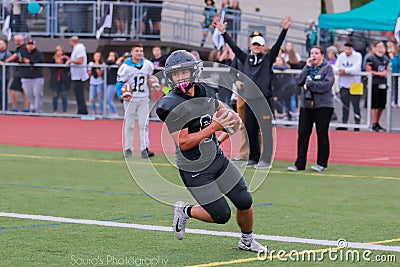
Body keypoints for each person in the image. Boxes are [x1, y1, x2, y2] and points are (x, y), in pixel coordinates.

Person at [156, 50, 267, 253]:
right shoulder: (170, 104)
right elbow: (184, 142)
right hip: (194, 167)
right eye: (176, 74)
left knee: (244, 200)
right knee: (221, 215)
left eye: (184, 72)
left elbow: (221, 110)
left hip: (216, 158)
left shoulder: (205, 90)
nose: (180, 78)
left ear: (193, 71)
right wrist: (214, 127)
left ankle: (247, 240)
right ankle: (185, 211)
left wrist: (229, 118)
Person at [214, 16, 293, 169]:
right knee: (250, 129)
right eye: (254, 45)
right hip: (249, 98)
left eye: (259, 45)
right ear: (251, 46)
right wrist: (223, 33)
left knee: (265, 129)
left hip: (263, 98)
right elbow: (235, 49)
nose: (256, 47)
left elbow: (277, 46)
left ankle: (265, 159)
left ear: (263, 47)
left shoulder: (268, 59)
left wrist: (284, 30)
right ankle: (253, 157)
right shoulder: (246, 59)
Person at [288, 46, 335, 172]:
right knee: (303, 134)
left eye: (316, 53)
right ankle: (299, 163)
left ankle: (322, 163)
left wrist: (310, 85)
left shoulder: (327, 68)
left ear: (322, 56)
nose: (313, 55)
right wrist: (306, 68)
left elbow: (326, 85)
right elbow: (298, 81)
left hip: (323, 106)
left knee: (322, 133)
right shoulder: (308, 68)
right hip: (307, 105)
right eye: (312, 53)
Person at [116, 44, 155, 158]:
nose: (139, 53)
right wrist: (120, 95)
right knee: (129, 125)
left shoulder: (148, 64)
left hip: (143, 98)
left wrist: (154, 84)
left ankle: (145, 149)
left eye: (141, 51)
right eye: (137, 51)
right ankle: (128, 148)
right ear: (132, 52)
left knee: (144, 124)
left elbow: (149, 78)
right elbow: (119, 83)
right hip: (130, 99)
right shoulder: (125, 67)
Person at [334, 42, 362, 131]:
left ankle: (357, 123)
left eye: (349, 49)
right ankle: (344, 123)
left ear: (352, 49)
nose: (347, 51)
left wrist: (345, 70)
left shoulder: (357, 56)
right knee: (345, 105)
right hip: (344, 84)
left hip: (355, 84)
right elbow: (336, 67)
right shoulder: (341, 56)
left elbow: (356, 68)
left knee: (356, 105)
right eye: (346, 49)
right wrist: (340, 70)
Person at [365, 41, 390, 132]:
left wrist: (386, 73)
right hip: (374, 83)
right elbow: (368, 70)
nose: (380, 49)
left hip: (383, 83)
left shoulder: (385, 59)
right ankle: (373, 122)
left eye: (382, 47)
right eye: (378, 47)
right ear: (374, 48)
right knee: (374, 104)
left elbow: (387, 69)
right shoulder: (370, 58)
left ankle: (377, 122)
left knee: (381, 104)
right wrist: (380, 74)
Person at [19, 39, 44, 113]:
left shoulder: (38, 53)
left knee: (37, 94)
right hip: (26, 77)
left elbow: (39, 61)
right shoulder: (23, 52)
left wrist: (30, 61)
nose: (30, 46)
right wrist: (21, 60)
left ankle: (38, 110)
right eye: (29, 44)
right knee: (29, 94)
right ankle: (33, 107)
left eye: (31, 44)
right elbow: (19, 59)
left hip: (37, 77)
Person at [5, 34, 29, 112]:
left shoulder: (23, 48)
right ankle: (22, 108)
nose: (15, 42)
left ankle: (20, 108)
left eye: (16, 40)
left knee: (15, 90)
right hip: (19, 72)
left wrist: (6, 61)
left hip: (21, 73)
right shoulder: (19, 48)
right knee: (21, 91)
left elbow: (15, 56)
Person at [66, 36, 89, 115]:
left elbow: (80, 60)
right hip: (76, 75)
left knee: (79, 94)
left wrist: (70, 61)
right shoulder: (77, 48)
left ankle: (82, 111)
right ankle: (81, 110)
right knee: (78, 94)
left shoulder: (79, 48)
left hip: (79, 76)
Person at [50, 45, 70, 113]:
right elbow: (52, 70)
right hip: (55, 79)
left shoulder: (65, 59)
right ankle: (55, 110)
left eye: (60, 51)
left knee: (64, 95)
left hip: (63, 79)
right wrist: (57, 64)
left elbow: (68, 69)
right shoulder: (53, 59)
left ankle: (65, 111)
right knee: (55, 95)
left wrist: (64, 63)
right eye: (57, 51)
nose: (59, 52)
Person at [105, 51, 119, 117]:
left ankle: (114, 113)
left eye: (112, 56)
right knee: (107, 99)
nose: (111, 57)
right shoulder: (108, 64)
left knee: (109, 99)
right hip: (107, 83)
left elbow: (116, 63)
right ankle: (111, 112)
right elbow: (107, 62)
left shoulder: (116, 64)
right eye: (110, 55)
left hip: (113, 83)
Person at [0, 39, 12, 111]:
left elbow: (6, 63)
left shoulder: (7, 53)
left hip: (4, 76)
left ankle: (3, 108)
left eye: (1, 43)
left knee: (3, 92)